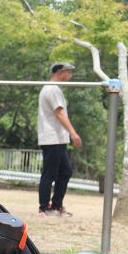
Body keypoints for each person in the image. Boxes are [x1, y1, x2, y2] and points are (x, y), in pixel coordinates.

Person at [37, 61, 81, 217]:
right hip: (52, 138)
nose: (70, 75)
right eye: (68, 72)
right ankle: (44, 208)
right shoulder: (52, 89)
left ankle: (56, 206)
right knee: (49, 173)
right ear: (60, 73)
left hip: (58, 139)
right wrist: (73, 133)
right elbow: (59, 113)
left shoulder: (53, 89)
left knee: (65, 172)